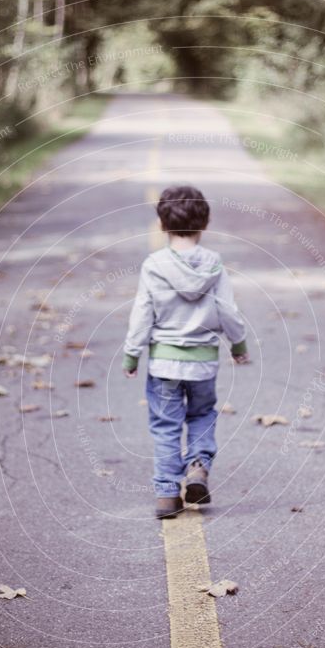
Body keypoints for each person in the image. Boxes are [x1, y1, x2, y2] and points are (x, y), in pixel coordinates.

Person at [123, 185, 249, 519]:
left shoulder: (154, 265)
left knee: (165, 427)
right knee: (201, 415)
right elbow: (229, 311)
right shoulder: (213, 264)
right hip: (203, 363)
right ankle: (197, 466)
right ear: (204, 223)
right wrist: (238, 345)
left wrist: (132, 353)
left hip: (164, 363)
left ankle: (166, 495)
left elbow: (142, 313)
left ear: (162, 225)